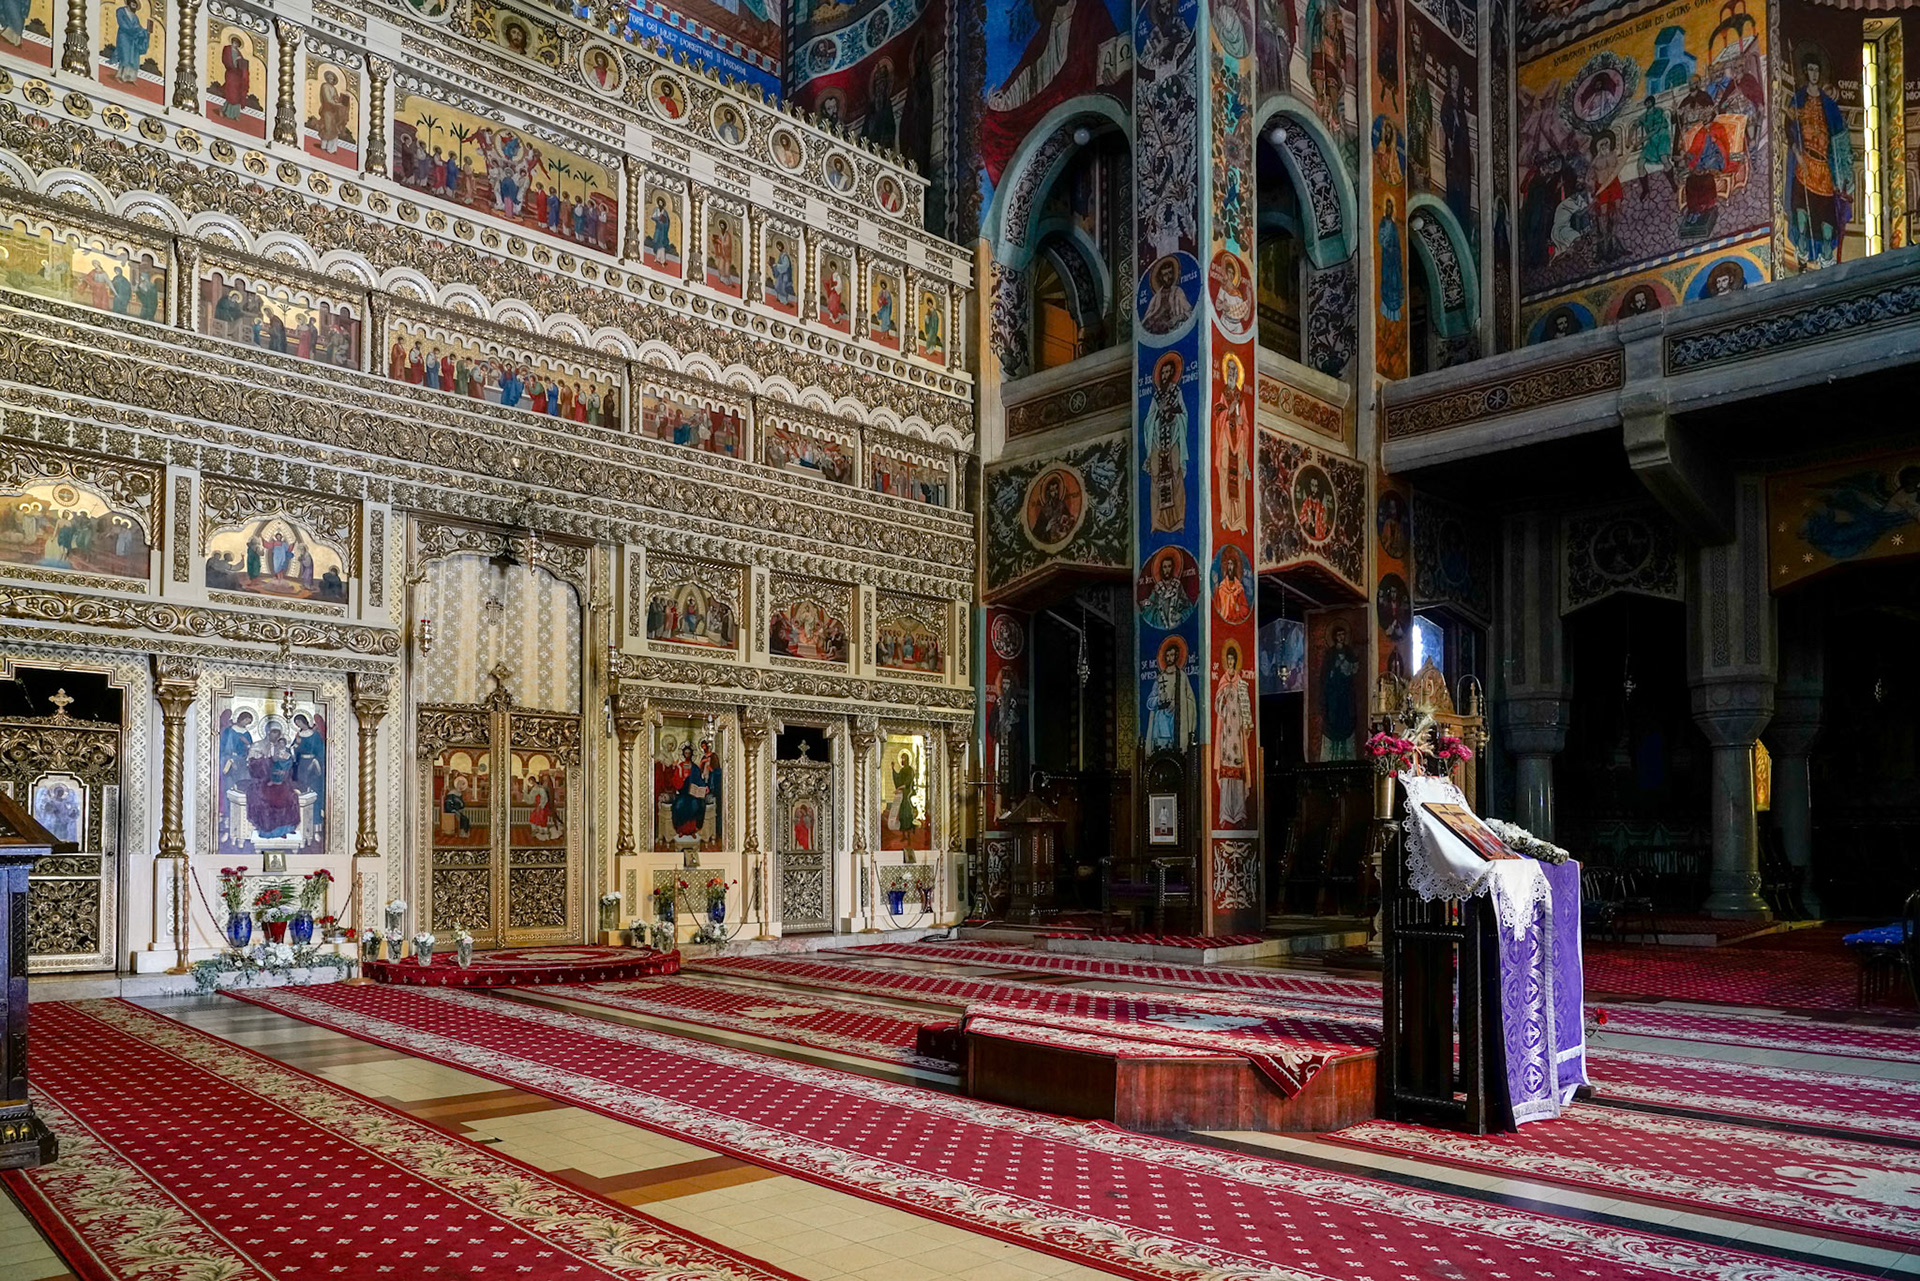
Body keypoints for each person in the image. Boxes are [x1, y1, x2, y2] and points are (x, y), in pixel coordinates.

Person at [1213, 645, 1253, 828]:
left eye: (1232, 661)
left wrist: (1247, 726)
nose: (1230, 663)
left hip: (1237, 736)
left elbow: (1246, 710)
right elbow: (1218, 709)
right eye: (1227, 660)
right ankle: (1225, 813)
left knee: (1238, 776)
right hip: (1226, 739)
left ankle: (1240, 813)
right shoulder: (1222, 682)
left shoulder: (1241, 684)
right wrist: (1223, 696)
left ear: (1236, 662)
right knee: (1227, 775)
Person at [109, 0, 152, 84]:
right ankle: (120, 76)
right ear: (129, 2)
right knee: (125, 55)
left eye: (135, 4)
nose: (134, 4)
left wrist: (145, 32)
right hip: (124, 36)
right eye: (133, 2)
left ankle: (130, 77)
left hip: (133, 39)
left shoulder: (135, 17)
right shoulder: (121, 11)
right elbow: (122, 24)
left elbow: (138, 27)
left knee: (134, 57)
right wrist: (134, 31)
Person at [218, 33, 250, 121]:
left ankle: (236, 114)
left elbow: (242, 64)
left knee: (237, 94)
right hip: (231, 73)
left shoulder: (239, 52)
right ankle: (224, 110)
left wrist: (241, 63)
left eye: (237, 44)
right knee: (231, 93)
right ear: (232, 41)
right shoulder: (227, 49)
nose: (235, 44)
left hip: (238, 76)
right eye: (235, 42)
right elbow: (225, 59)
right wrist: (233, 64)